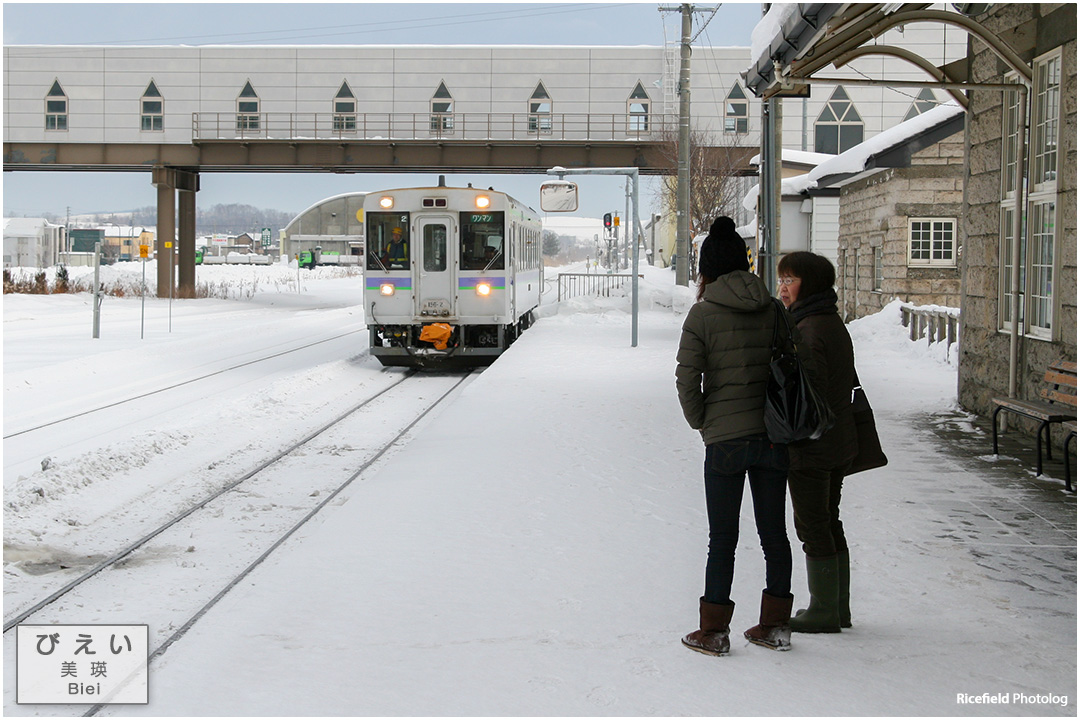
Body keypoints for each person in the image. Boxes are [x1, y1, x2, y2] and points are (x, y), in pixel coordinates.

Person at [675, 216, 794, 656]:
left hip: (724, 440)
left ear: (707, 268)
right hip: (771, 436)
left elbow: (687, 379)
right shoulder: (773, 308)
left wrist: (703, 422)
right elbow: (789, 366)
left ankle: (714, 632)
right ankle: (776, 625)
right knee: (774, 534)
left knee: (722, 538)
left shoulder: (703, 314)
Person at [776, 251, 857, 634]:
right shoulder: (828, 322)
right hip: (837, 440)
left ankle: (824, 610)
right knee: (829, 520)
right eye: (782, 279)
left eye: (790, 280)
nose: (783, 287)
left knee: (812, 526)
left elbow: (808, 395)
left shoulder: (808, 329)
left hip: (813, 446)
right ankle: (837, 608)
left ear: (810, 284)